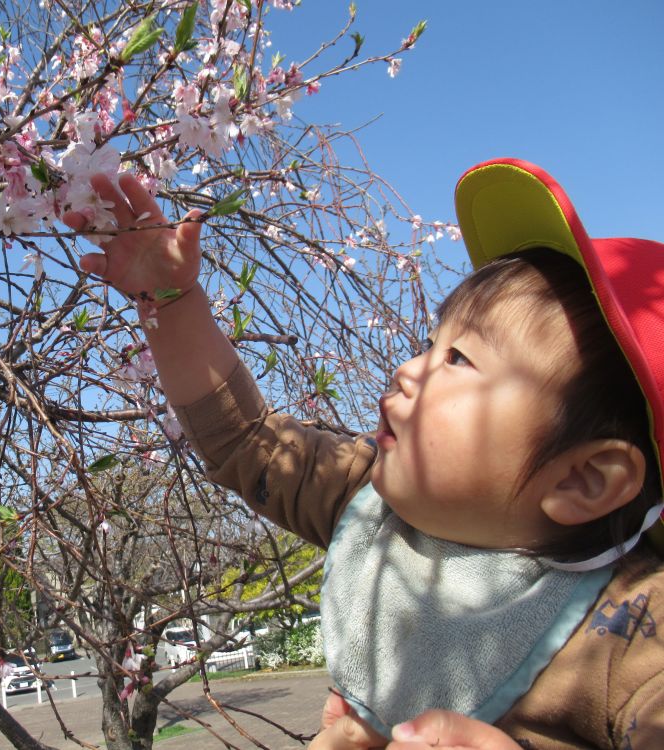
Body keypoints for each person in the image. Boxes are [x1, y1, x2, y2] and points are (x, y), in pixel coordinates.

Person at [62, 158, 664, 749]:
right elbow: (246, 438)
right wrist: (170, 299)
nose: (407, 371)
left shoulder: (633, 637)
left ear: (584, 479)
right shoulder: (365, 501)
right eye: (432, 344)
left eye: (459, 360)